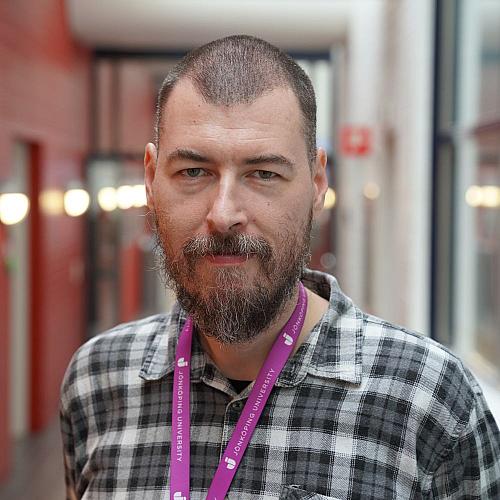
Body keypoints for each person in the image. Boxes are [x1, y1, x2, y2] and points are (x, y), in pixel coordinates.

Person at [60, 35, 500, 499]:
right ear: (151, 179)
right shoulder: (97, 381)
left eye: (263, 174)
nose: (224, 214)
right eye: (193, 171)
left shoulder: (430, 401)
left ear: (317, 183)